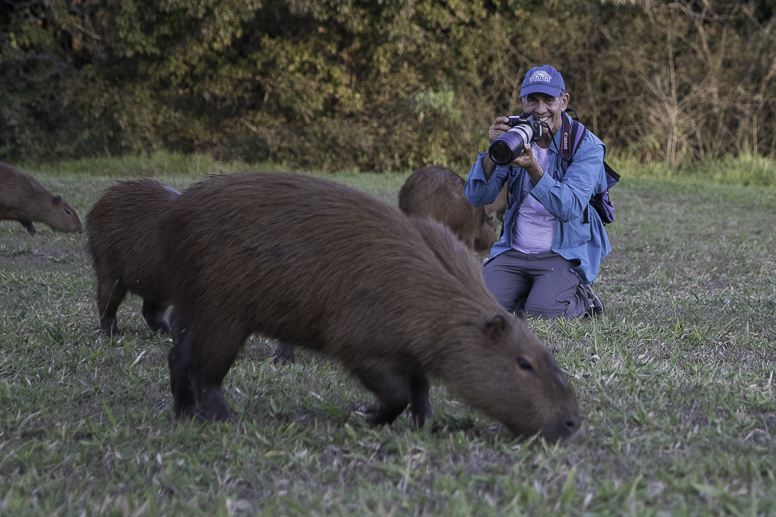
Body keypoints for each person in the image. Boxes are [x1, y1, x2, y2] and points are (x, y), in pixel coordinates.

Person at [465, 64, 610, 319]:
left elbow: (570, 207)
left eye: (549, 100)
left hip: (561, 253)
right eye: (533, 100)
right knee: (476, 306)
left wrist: (534, 168)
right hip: (516, 249)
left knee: (542, 313)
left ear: (563, 102)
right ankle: (530, 292)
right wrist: (494, 150)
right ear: (523, 101)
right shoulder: (516, 135)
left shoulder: (586, 145)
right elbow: (478, 197)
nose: (540, 109)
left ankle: (582, 298)